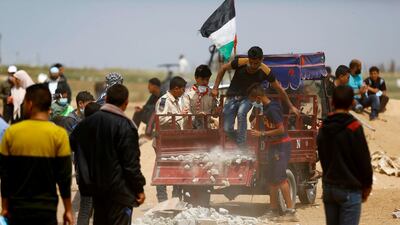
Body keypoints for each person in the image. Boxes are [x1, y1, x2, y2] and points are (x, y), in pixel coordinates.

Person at [70, 84, 146, 225]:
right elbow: (131, 164)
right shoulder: (126, 125)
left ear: (106, 100)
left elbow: (72, 145)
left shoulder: (86, 123)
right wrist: (139, 188)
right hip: (120, 193)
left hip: (96, 191)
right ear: (125, 104)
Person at [0, 83, 73, 225]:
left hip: (18, 208)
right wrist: (68, 209)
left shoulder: (11, 133)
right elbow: (64, 177)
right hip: (47, 210)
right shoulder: (59, 135)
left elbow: (5, 174)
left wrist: (4, 206)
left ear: (30, 104)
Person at [211, 46, 299, 147]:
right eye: (251, 62)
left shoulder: (266, 71)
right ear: (248, 59)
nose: (253, 65)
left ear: (261, 60)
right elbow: (223, 68)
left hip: (248, 98)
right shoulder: (240, 62)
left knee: (241, 113)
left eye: (256, 63)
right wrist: (215, 88)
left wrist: (291, 106)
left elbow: (280, 89)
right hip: (232, 96)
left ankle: (242, 147)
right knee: (227, 128)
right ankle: (240, 143)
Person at [318, 85, 373, 225]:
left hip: (329, 188)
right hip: (349, 189)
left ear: (332, 102)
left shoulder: (324, 126)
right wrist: (367, 186)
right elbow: (364, 160)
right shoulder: (354, 127)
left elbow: (323, 156)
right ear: (352, 103)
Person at [248, 84, 298, 222]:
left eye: (253, 100)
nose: (253, 103)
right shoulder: (267, 107)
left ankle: (290, 212)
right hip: (273, 146)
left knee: (281, 179)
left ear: (258, 97)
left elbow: (281, 129)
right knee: (272, 180)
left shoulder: (272, 109)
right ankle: (273, 210)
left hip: (281, 146)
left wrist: (262, 133)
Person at [154, 76, 187, 202]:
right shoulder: (164, 101)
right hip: (164, 142)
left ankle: (176, 199)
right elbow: (160, 119)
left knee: (179, 168)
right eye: (182, 89)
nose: (183, 92)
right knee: (162, 169)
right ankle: (162, 200)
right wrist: (178, 116)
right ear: (176, 88)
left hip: (176, 142)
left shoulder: (178, 100)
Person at [73, 102, 100, 225]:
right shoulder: (102, 129)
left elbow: (71, 145)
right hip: (99, 177)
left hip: (83, 176)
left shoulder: (79, 128)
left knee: (85, 209)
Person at [182, 64, 218, 129]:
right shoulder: (188, 94)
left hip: (207, 129)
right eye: (202, 79)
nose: (205, 82)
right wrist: (196, 115)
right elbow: (186, 114)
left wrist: (217, 110)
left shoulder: (211, 93)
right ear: (196, 78)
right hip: (191, 130)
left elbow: (214, 113)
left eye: (207, 80)